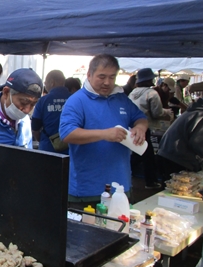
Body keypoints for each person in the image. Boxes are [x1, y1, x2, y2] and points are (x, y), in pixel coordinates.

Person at [59, 54, 147, 208]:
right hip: (87, 191)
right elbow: (67, 133)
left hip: (121, 187)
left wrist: (140, 127)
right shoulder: (77, 100)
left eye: (112, 77)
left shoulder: (121, 99)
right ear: (89, 75)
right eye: (102, 77)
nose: (107, 82)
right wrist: (105, 134)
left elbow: (140, 117)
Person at [128, 68, 172, 189]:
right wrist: (167, 112)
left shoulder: (133, 92)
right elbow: (157, 113)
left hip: (132, 126)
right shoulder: (152, 93)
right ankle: (150, 181)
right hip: (144, 127)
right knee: (147, 155)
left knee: (138, 152)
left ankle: (127, 175)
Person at [32, 70, 71, 154]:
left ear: (52, 82)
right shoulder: (74, 99)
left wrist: (43, 139)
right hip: (71, 148)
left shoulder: (43, 100)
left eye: (45, 83)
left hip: (48, 148)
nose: (45, 86)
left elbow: (35, 127)